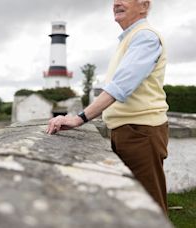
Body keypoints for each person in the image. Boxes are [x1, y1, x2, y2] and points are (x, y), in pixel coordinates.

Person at [46, 0, 169, 215]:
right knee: (131, 205)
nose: (116, 3)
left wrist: (79, 118)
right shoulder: (130, 38)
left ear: (144, 6)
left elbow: (120, 87)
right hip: (130, 130)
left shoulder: (145, 37)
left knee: (149, 208)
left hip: (140, 132)